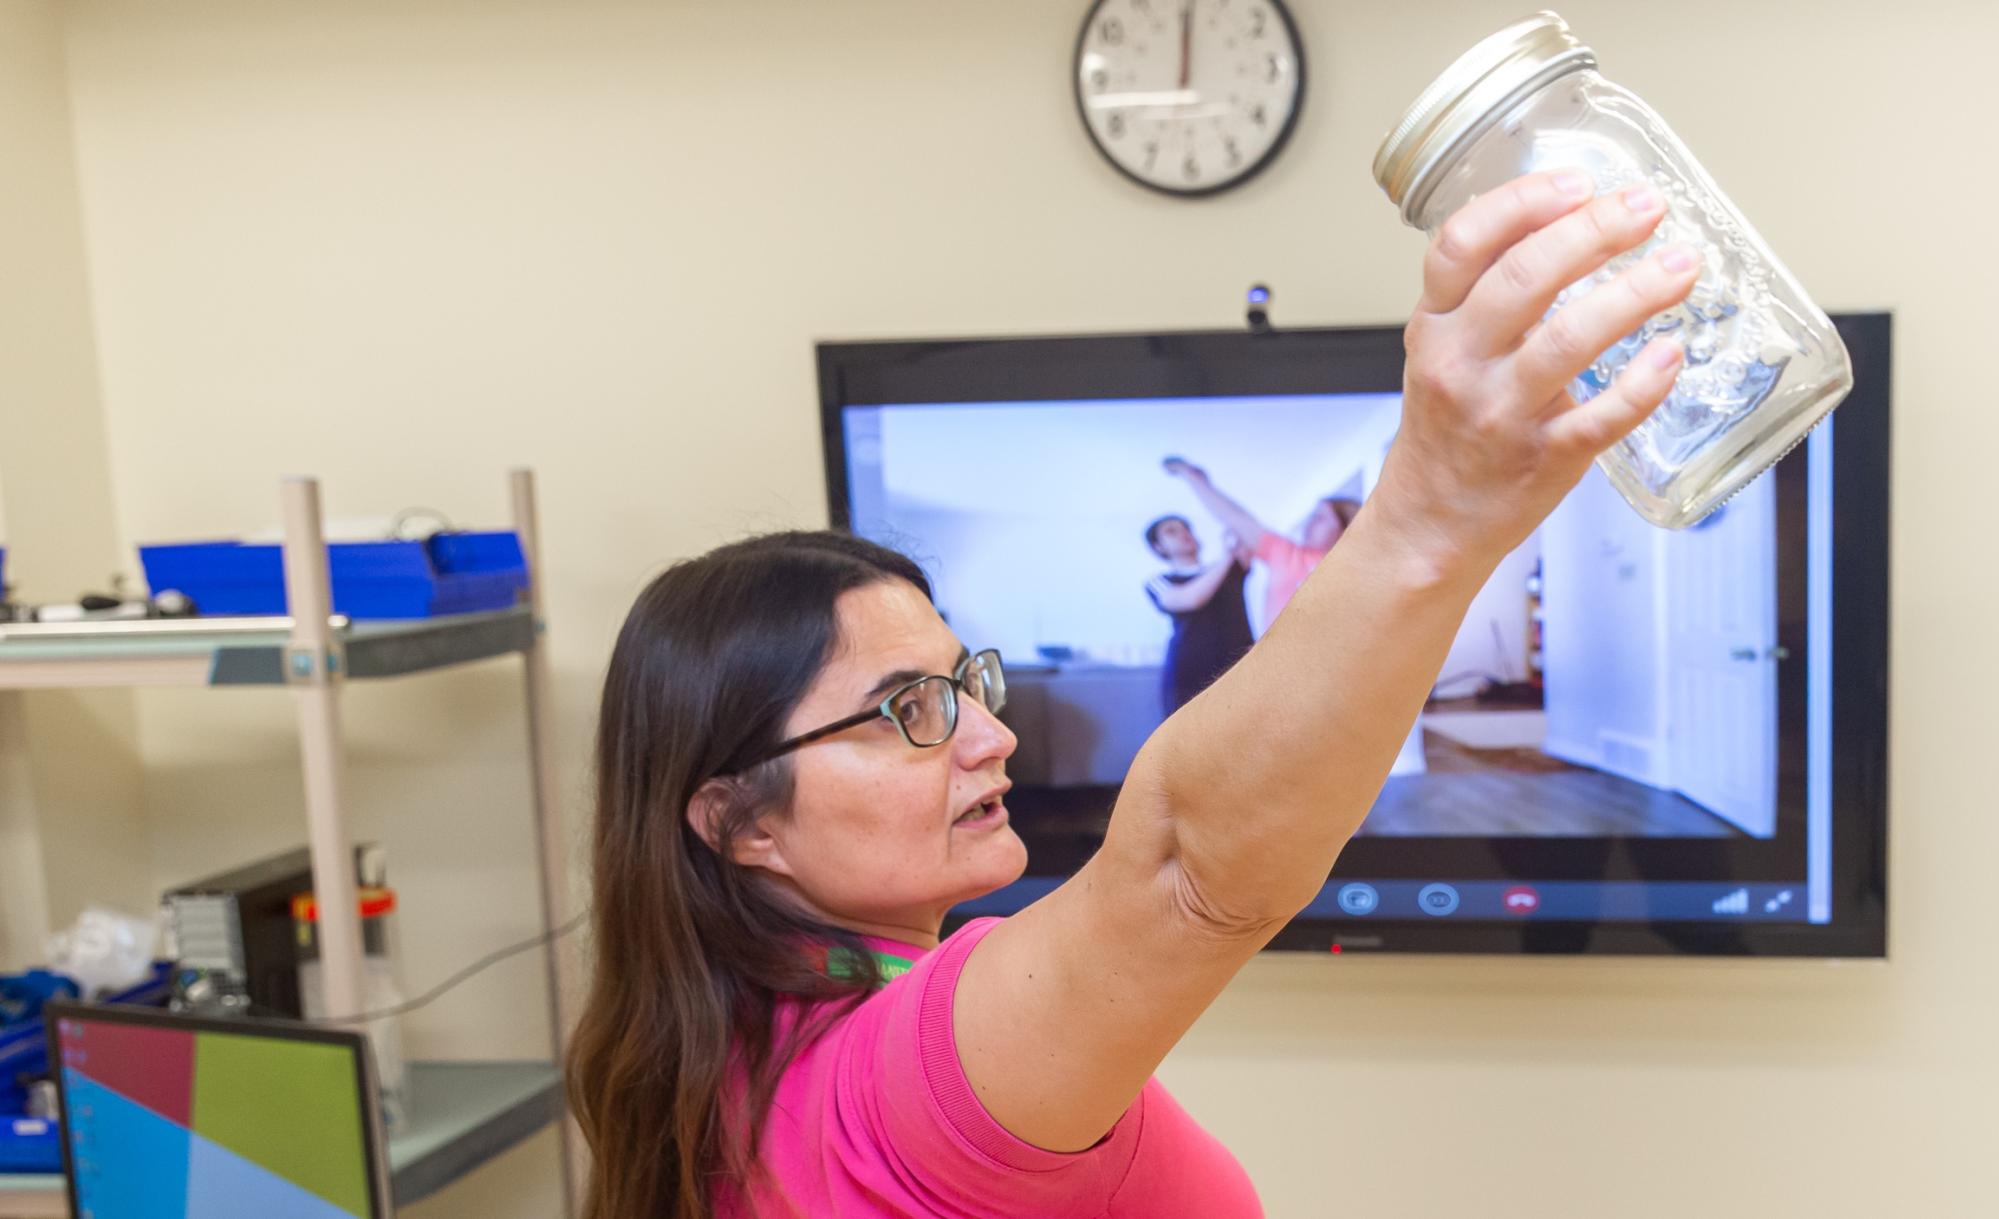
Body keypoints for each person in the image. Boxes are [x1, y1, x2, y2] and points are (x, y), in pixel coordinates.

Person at [565, 170, 1698, 1219]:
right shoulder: (898, 1082)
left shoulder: (710, 1055)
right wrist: (1432, 511)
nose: (991, 736)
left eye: (968, 683)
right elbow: (1184, 870)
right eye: (910, 711)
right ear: (739, 820)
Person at [1163, 457, 1357, 635]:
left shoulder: (1357, 570)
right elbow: (1234, 517)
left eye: (1320, 518)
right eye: (1312, 516)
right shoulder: (1288, 554)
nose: (1310, 523)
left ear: (1346, 528)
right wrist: (1192, 476)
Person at [1141, 514, 1255, 714]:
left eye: (1186, 528)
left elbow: (1250, 539)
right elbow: (1190, 599)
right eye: (1171, 531)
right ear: (1159, 547)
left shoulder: (1230, 567)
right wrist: (1227, 557)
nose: (1183, 533)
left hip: (1241, 668)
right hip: (1190, 675)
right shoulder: (1160, 581)